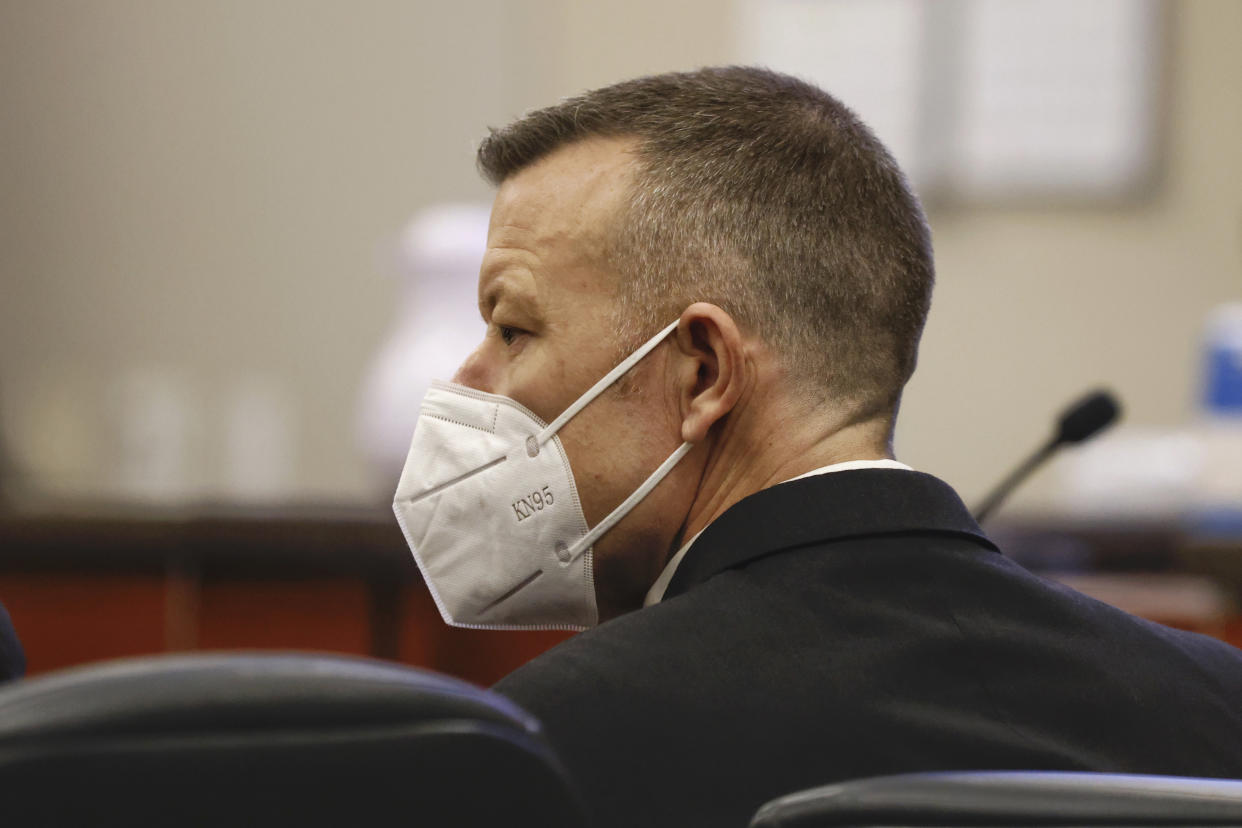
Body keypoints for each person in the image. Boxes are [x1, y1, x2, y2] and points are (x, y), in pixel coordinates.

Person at [391, 67, 1242, 828]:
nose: (469, 381)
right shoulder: (1216, 704)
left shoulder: (553, 745)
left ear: (702, 372)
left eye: (512, 328)